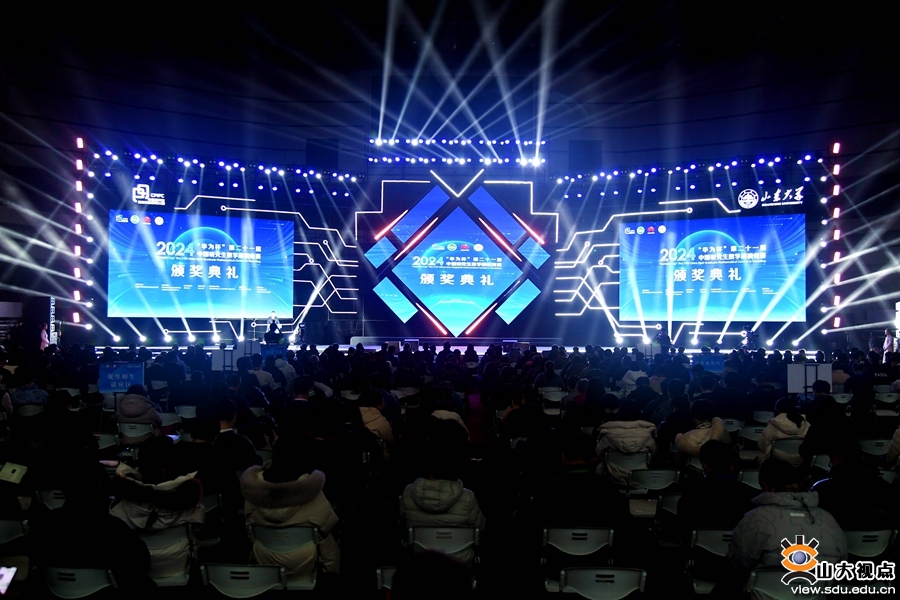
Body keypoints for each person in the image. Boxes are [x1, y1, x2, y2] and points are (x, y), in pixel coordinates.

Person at [727, 458, 847, 581]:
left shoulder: (753, 520)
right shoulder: (829, 520)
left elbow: (737, 564)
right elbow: (842, 562)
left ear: (764, 486)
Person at [241, 438, 340, 581]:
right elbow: (328, 525)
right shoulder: (312, 491)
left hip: (265, 561)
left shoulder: (254, 491)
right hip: (306, 563)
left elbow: (248, 524)